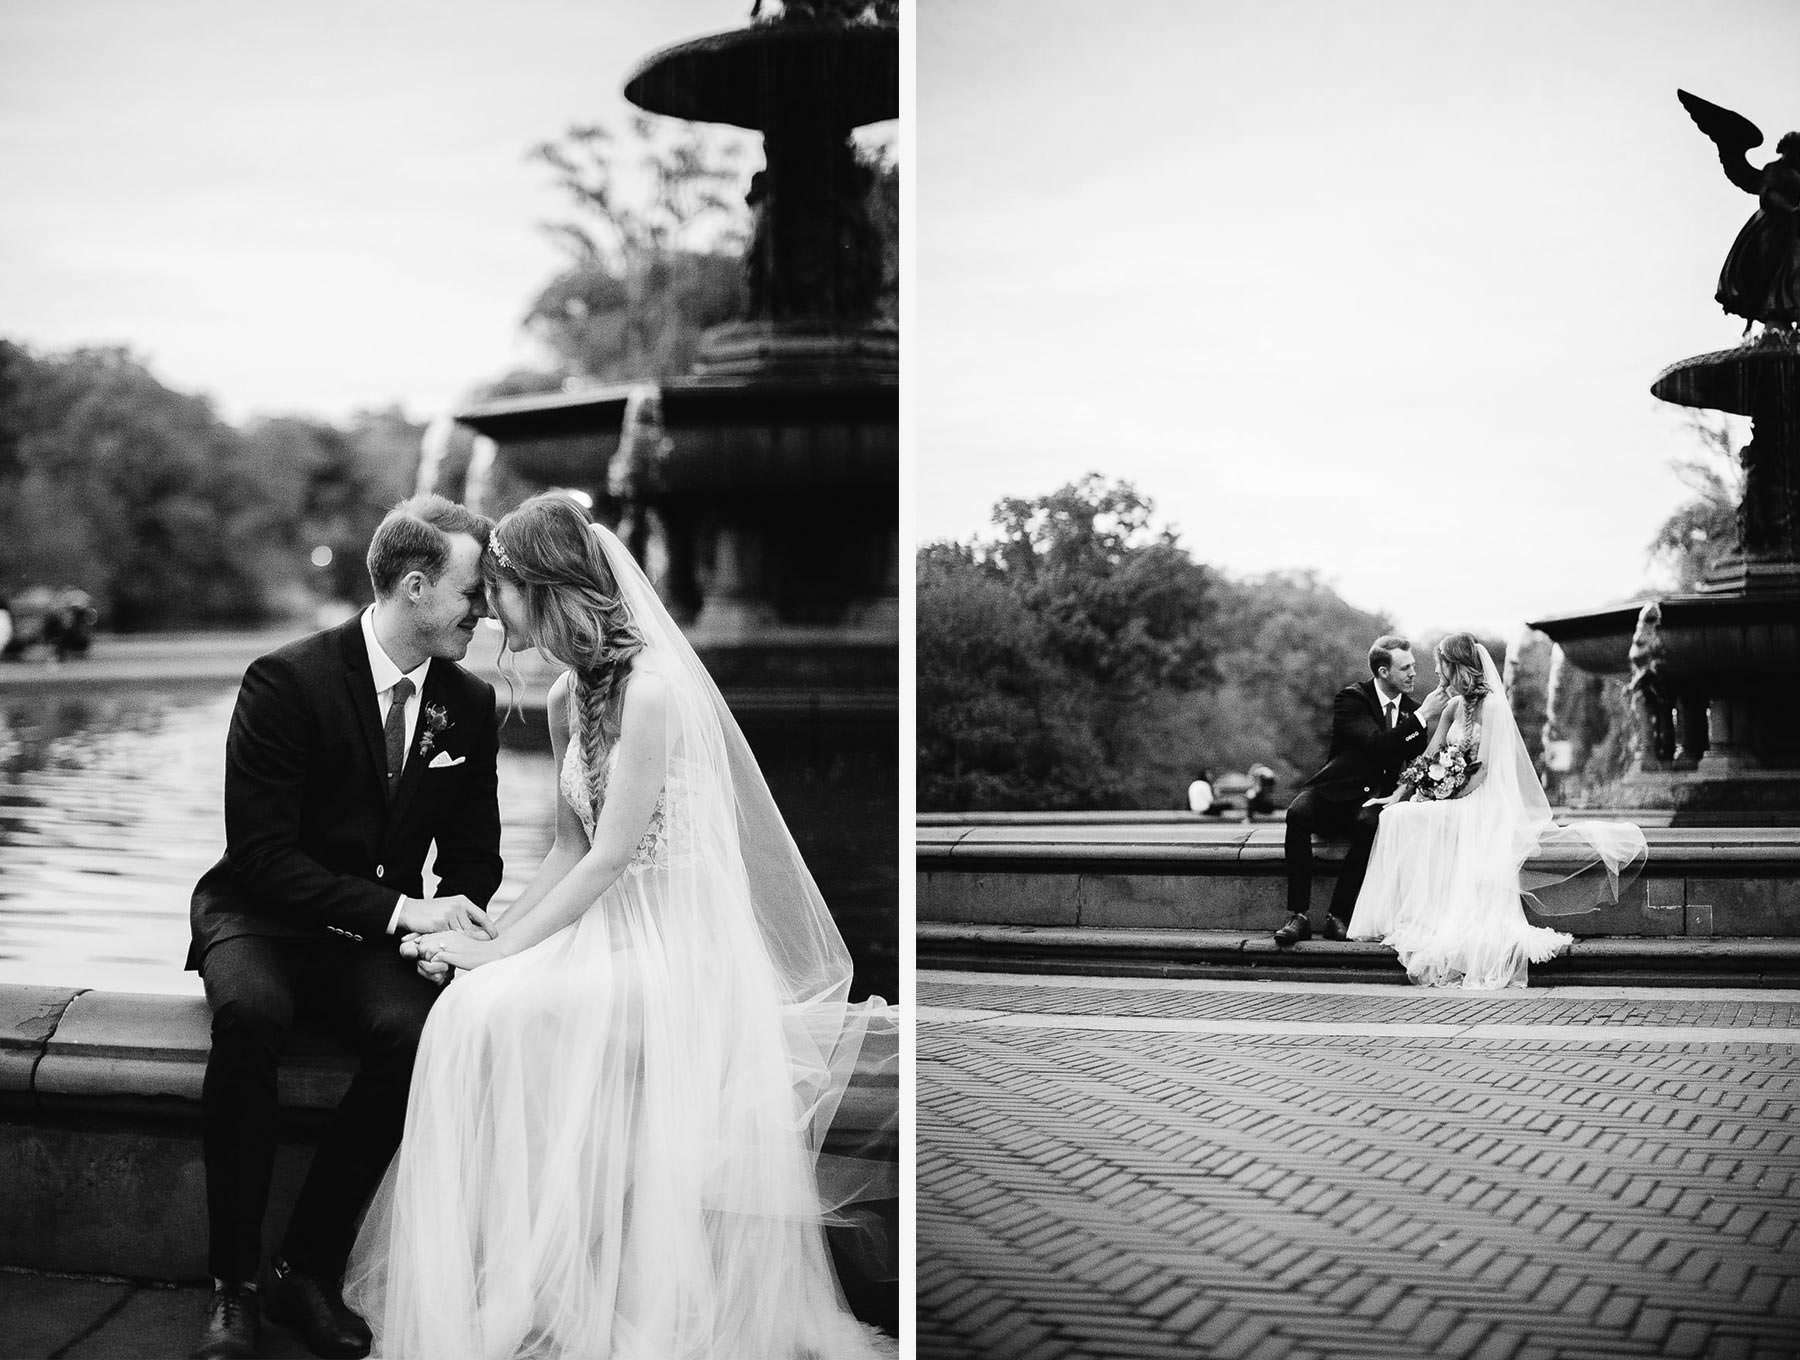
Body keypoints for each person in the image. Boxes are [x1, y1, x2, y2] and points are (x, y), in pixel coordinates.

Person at [344, 494, 895, 1359]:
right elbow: (569, 847)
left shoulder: (655, 693)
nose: (490, 609)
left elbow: (612, 859)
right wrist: (492, 940)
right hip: (606, 937)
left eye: (501, 590)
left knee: (507, 1009)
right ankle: (528, 1274)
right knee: (474, 1010)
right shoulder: (568, 697)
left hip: (680, 953)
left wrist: (496, 955)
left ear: (547, 586)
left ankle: (570, 1279)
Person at [187, 494, 503, 1360]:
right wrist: (405, 911)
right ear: (414, 587)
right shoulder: (285, 680)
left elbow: (475, 857)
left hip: (371, 937)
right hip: (262, 917)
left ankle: (305, 1269)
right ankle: (233, 1287)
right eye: (472, 592)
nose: (485, 609)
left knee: (414, 1037)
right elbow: (260, 857)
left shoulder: (467, 704)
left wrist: (455, 934)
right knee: (249, 1018)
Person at [1348, 633, 1647, 988]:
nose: (1435, 668)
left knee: (1418, 818)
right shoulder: (1452, 707)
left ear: (1455, 665)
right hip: (1455, 794)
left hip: (1482, 800)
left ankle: (1430, 914)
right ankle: (1408, 914)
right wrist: (1400, 794)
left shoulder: (1490, 706)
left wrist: (1449, 798)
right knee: (1397, 816)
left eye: (1441, 662)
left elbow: (1485, 769)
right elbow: (1427, 757)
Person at [1276, 635, 1442, 946]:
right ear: (1383, 672)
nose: (1413, 674)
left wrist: (1418, 719)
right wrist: (1421, 718)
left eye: (1414, 667)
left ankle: (1337, 915)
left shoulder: (1413, 711)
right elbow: (1377, 746)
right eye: (1405, 668)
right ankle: (1297, 915)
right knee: (1297, 814)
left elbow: (1414, 750)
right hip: (1334, 789)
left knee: (1371, 824)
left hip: (1375, 797)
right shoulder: (1352, 699)